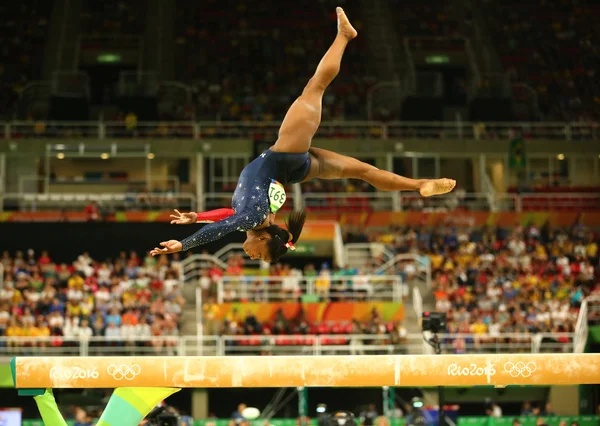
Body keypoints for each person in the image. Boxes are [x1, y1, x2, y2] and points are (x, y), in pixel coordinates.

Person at [150, 8, 456, 263]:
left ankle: (419, 185)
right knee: (315, 87)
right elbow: (227, 225)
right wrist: (183, 245)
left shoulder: (254, 218)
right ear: (265, 238)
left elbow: (229, 215)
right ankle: (345, 36)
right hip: (286, 155)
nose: (254, 257)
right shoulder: (255, 219)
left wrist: (198, 216)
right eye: (261, 256)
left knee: (364, 171)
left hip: (296, 169)